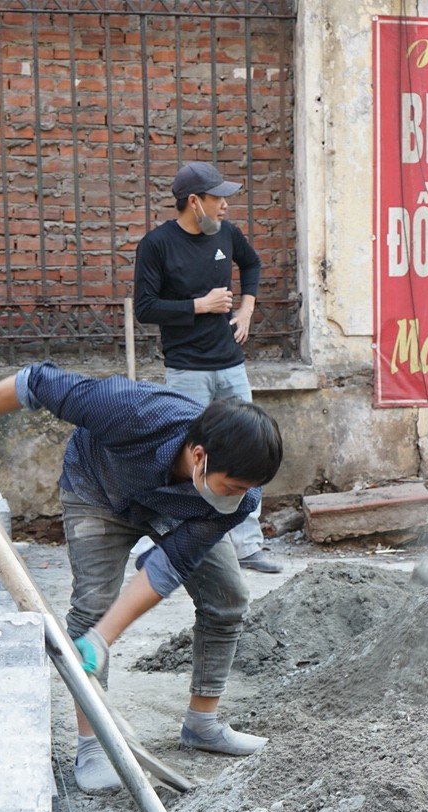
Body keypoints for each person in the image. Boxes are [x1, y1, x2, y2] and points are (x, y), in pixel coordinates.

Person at [0, 362, 282, 792]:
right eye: (233, 485)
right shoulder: (131, 411)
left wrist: (105, 638)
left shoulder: (236, 498)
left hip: (177, 505)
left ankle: (202, 725)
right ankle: (92, 745)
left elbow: (169, 565)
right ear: (199, 456)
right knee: (92, 607)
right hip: (97, 490)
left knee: (227, 599)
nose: (241, 496)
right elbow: (35, 382)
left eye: (249, 487)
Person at [132, 162, 282, 574]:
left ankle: (248, 547)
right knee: (188, 460)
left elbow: (251, 265)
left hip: (231, 367)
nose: (226, 207)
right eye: (218, 199)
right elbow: (145, 307)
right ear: (194, 202)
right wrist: (199, 306)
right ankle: (190, 548)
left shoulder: (229, 236)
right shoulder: (157, 245)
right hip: (186, 372)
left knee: (251, 452)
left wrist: (247, 309)